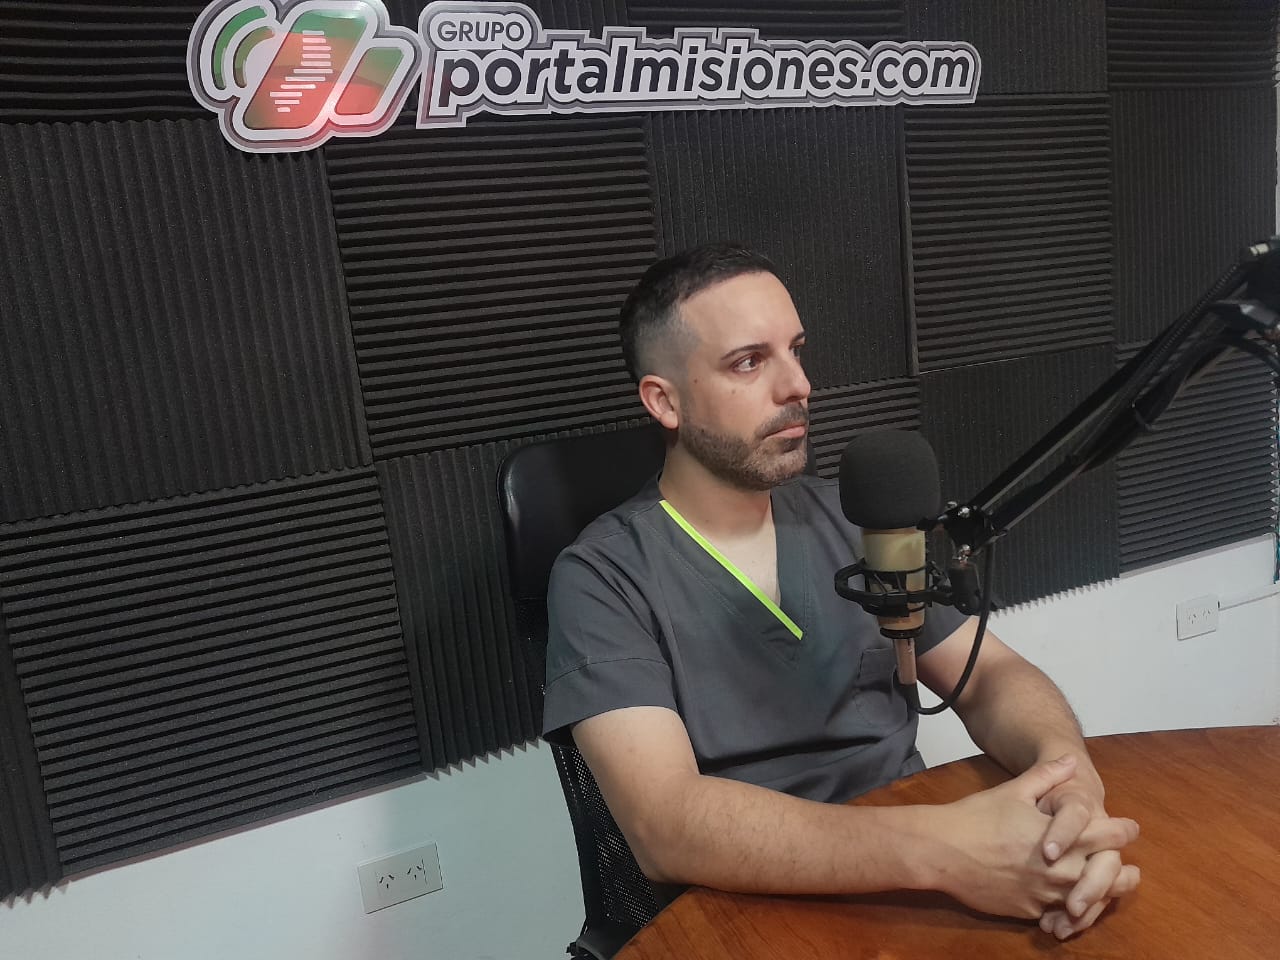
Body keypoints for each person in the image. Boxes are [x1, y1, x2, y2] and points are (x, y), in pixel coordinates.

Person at [541, 243, 1140, 940]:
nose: (798, 385)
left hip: (917, 884)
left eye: (795, 350)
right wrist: (945, 849)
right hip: (745, 915)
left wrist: (1068, 778)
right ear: (664, 401)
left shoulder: (856, 518)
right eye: (749, 362)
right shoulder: (602, 577)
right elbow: (666, 825)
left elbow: (989, 675)